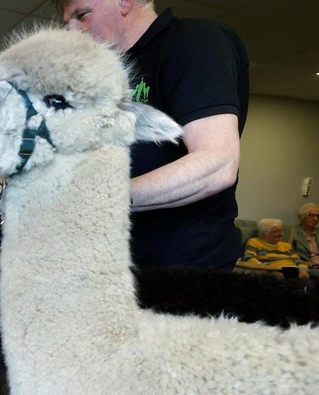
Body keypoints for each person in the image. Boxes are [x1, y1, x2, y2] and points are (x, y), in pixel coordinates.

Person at [55, 0, 249, 270]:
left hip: (184, 271)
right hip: (116, 264)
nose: (72, 32)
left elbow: (218, 163)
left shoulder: (196, 43)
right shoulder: (104, 76)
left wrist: (103, 197)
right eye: (68, 23)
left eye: (82, 15)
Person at [236, 218, 309, 279]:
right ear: (263, 233)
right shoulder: (254, 242)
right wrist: (266, 268)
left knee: (306, 278)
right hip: (271, 270)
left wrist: (303, 269)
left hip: (292, 270)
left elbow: (297, 260)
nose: (281, 234)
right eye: (275, 231)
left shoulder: (286, 245)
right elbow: (249, 258)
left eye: (281, 230)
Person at [292, 202, 319, 268]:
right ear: (301, 217)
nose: (315, 219)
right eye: (310, 215)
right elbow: (288, 253)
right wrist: (301, 263)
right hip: (308, 267)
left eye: (318, 215)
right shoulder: (293, 232)